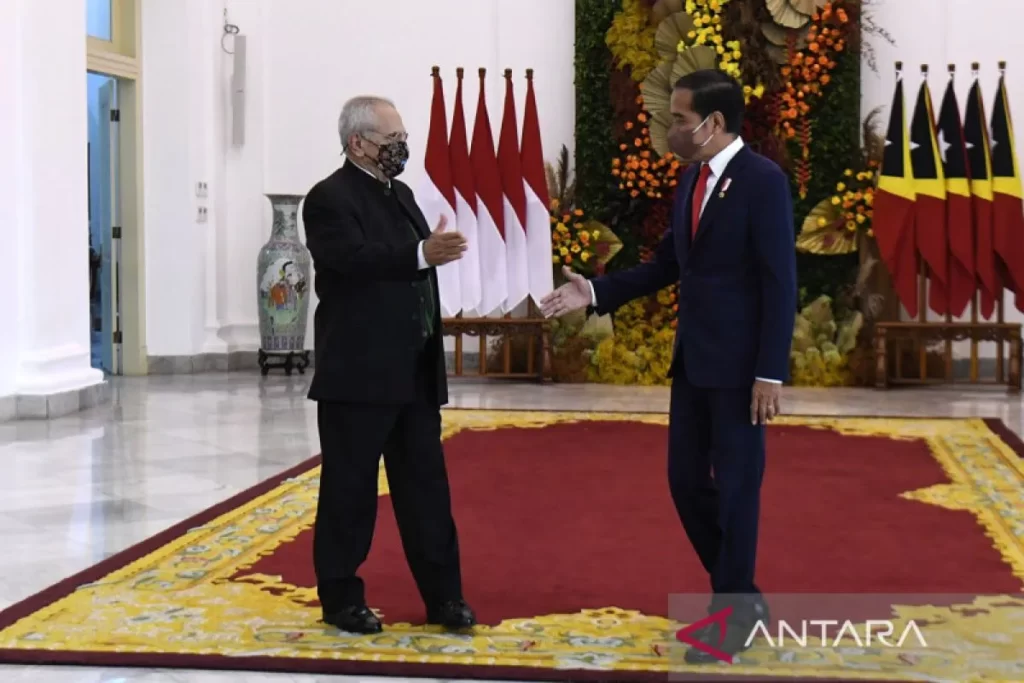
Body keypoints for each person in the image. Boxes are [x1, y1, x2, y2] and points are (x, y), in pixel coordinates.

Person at [540, 70, 797, 662]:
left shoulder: (763, 182)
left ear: (714, 123)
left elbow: (779, 281)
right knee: (686, 485)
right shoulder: (690, 180)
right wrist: (597, 293)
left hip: (740, 372)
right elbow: (667, 264)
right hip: (693, 365)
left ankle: (731, 615)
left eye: (681, 120)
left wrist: (770, 372)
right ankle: (743, 598)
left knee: (736, 493)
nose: (672, 129)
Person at [302, 95, 475, 634]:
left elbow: (412, 269)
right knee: (349, 492)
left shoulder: (398, 193)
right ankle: (341, 599)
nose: (401, 148)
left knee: (426, 490)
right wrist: (422, 253)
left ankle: (445, 597)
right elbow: (351, 262)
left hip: (413, 370)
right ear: (358, 143)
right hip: (358, 374)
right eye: (392, 140)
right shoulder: (328, 198)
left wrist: (426, 256)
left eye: (402, 138)